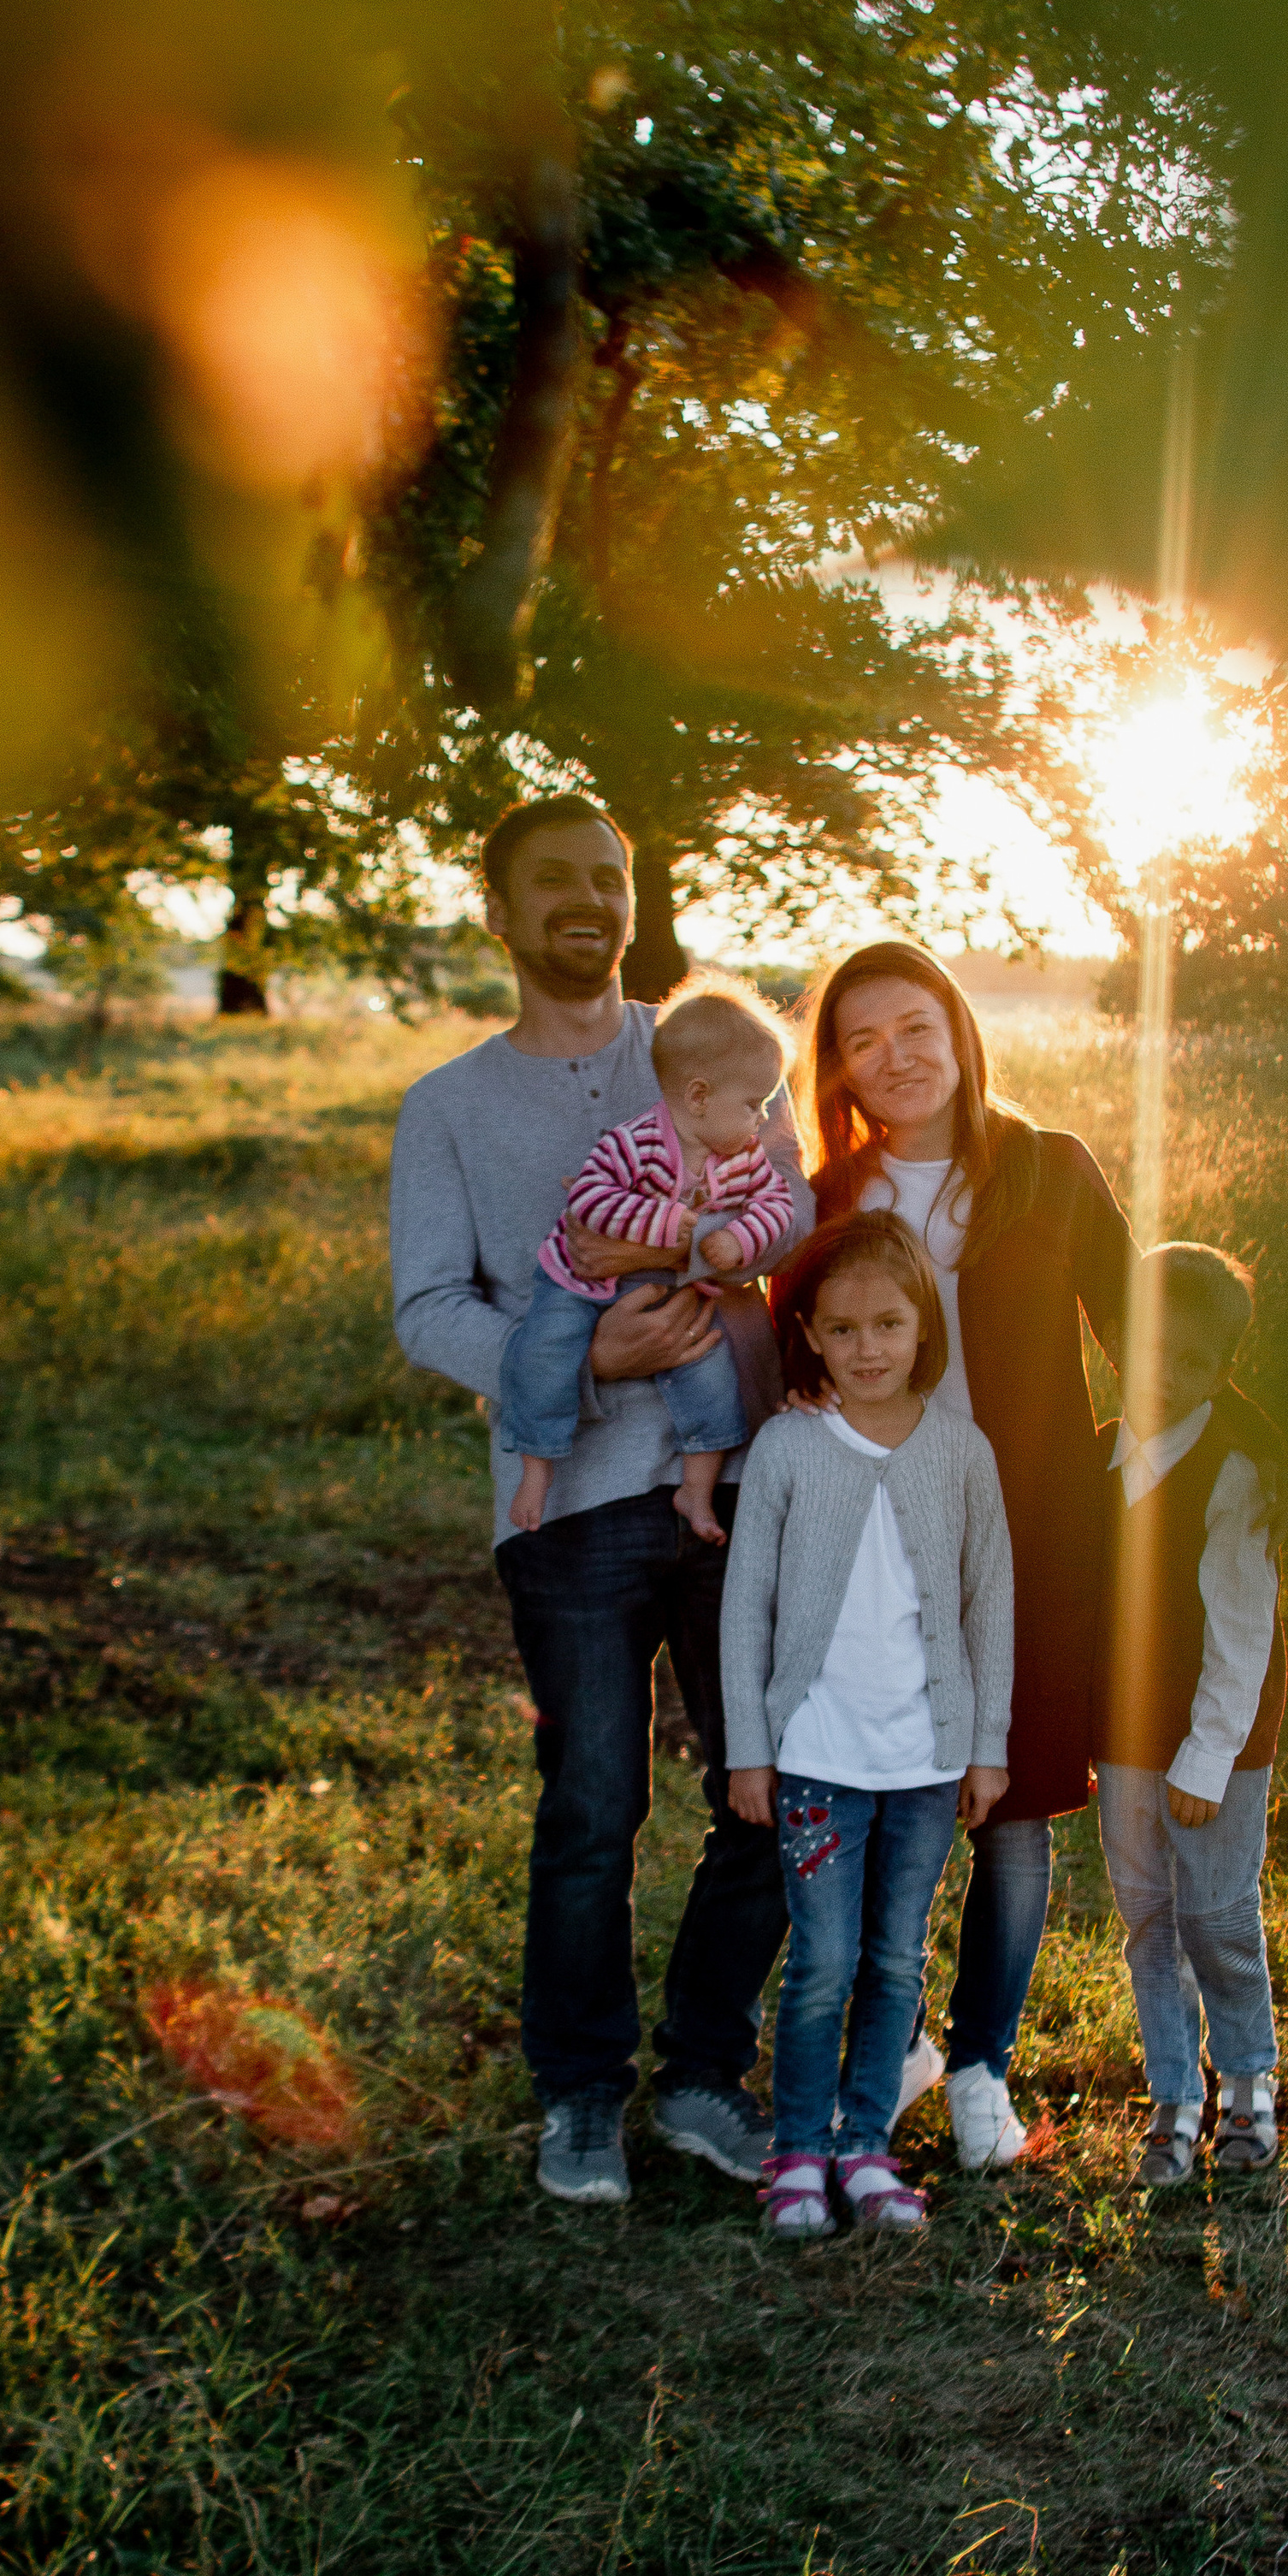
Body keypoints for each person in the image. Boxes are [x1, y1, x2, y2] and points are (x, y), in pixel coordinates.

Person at [388, 796, 813, 2206]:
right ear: (500, 912)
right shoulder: (447, 1107)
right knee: (589, 1804)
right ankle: (578, 2093)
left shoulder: (707, 1047)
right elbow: (427, 1308)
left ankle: (703, 2074)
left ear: (633, 900)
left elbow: (784, 1202)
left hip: (727, 1487)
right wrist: (569, 1359)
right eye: (553, 882)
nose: (586, 901)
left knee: (767, 1782)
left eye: (607, 879)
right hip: (566, 1512)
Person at [797, 941, 1131, 2170]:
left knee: (1019, 1808)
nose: (896, 1058)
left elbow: (1139, 1334)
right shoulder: (830, 1195)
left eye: (916, 1025)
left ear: (960, 1028)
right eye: (862, 1039)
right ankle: (896, 2049)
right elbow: (786, 1358)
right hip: (876, 1543)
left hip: (1033, 1532)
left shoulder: (1048, 1170)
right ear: (835, 1066)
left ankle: (982, 2060)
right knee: (883, 1799)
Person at [720, 1217, 1013, 2236]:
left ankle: (863, 2146)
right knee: (822, 1962)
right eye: (841, 1330)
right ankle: (797, 2151)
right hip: (814, 1758)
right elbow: (745, 1600)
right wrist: (749, 1750)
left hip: (927, 1761)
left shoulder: (960, 1451)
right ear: (808, 1334)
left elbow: (990, 1603)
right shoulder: (789, 1448)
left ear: (921, 1324)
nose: (868, 1348)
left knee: (895, 1960)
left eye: (888, 1323)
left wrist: (987, 1745)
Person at [1094, 1242, 1288, 2190]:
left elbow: (1241, 1635)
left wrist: (1206, 1758)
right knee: (1148, 1920)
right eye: (1150, 1350)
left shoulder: (1232, 1472)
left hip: (1215, 1749)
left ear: (1221, 1370)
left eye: (1193, 1363)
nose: (1165, 1377)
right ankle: (1173, 2095)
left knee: (1215, 1918)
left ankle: (1248, 2082)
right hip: (1126, 1740)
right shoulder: (1101, 1454)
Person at [503, 978, 795, 1545]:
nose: (762, 1118)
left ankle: (696, 1489)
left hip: (666, 1288)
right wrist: (671, 1226)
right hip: (578, 1281)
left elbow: (778, 1203)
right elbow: (587, 1200)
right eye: (753, 1105)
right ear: (699, 1097)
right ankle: (536, 1470)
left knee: (711, 1376)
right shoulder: (633, 1143)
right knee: (545, 1351)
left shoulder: (742, 1156)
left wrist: (737, 1239)